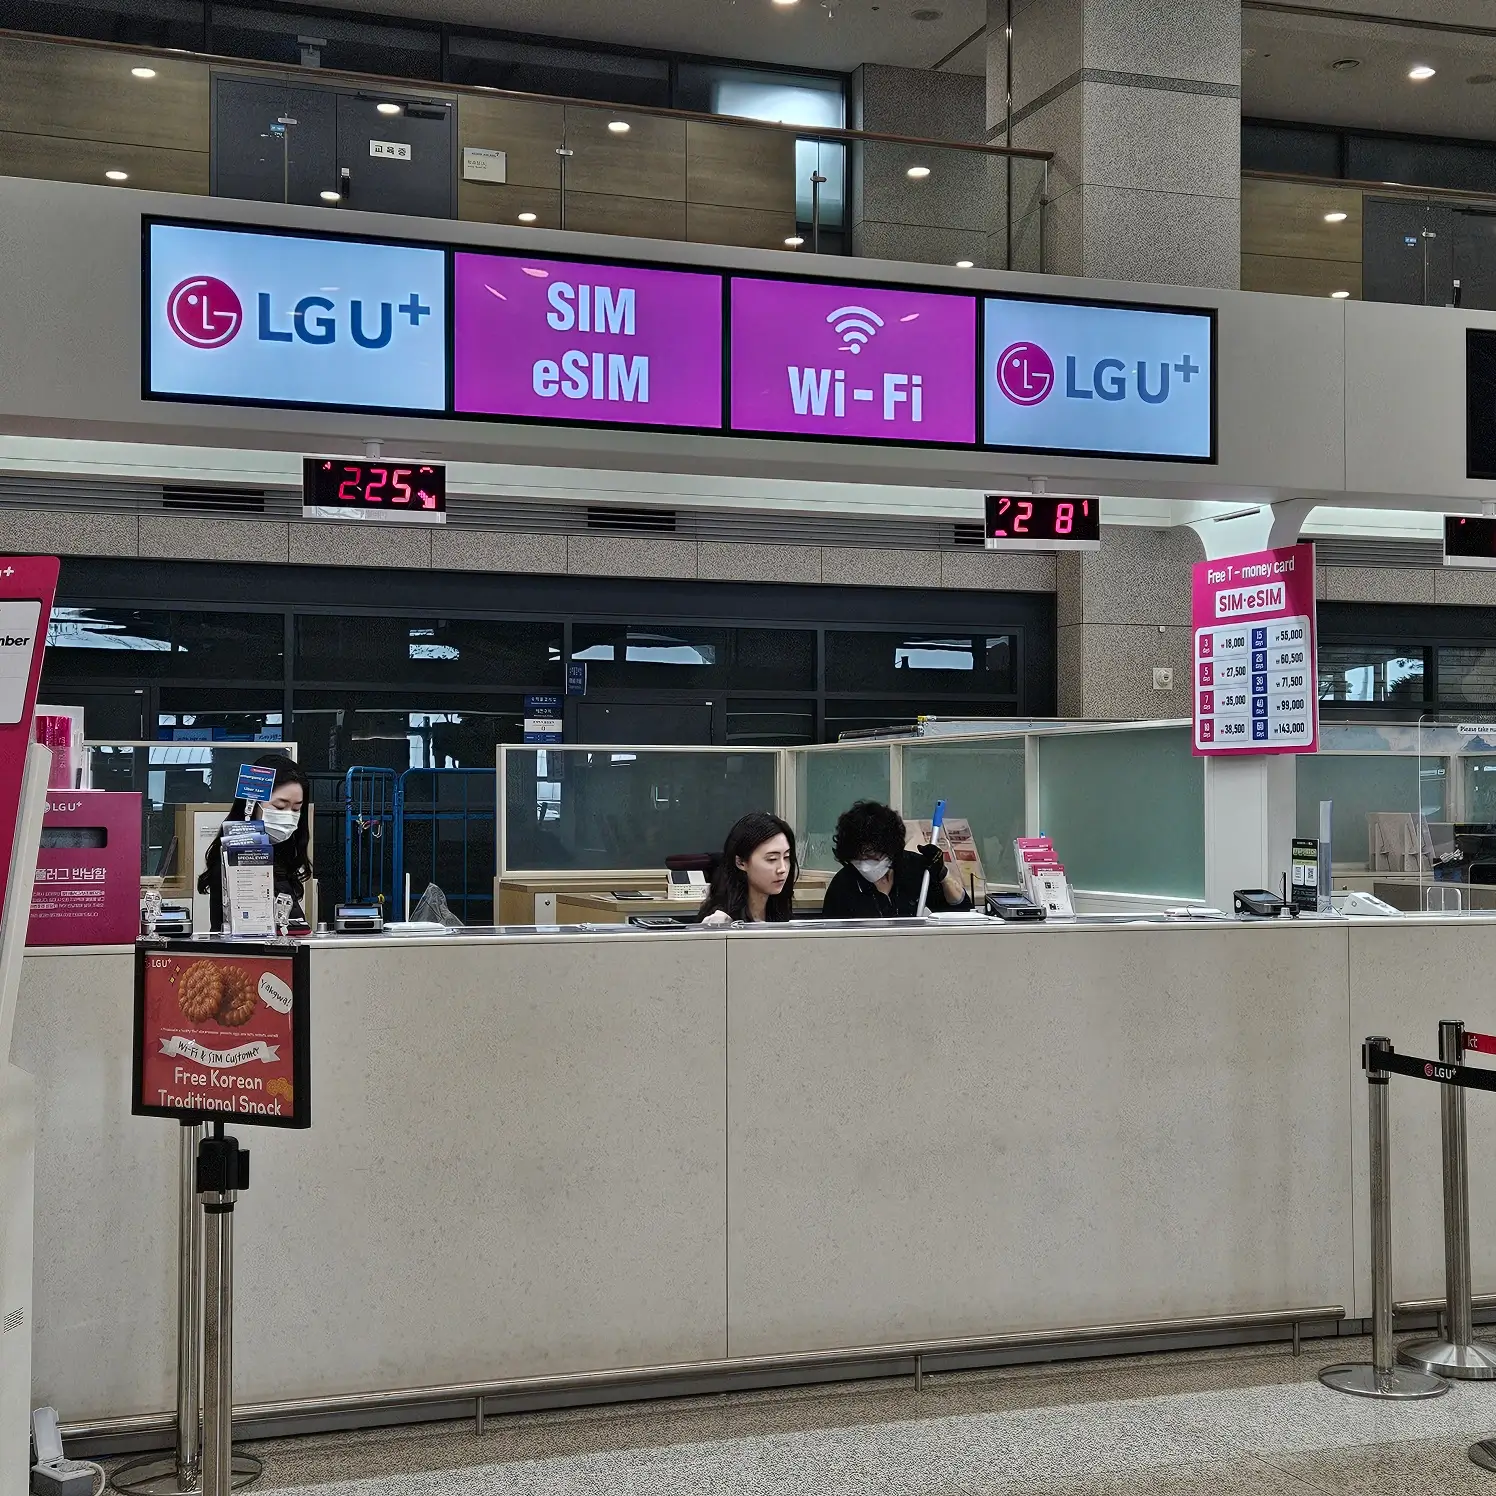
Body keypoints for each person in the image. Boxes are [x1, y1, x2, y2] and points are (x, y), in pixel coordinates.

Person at [198, 753, 313, 931]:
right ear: (252, 804)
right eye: (280, 806)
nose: (288, 815)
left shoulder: (282, 854)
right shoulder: (237, 858)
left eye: (296, 808)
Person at [820, 800, 972, 920]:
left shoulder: (914, 869)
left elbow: (963, 914)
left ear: (889, 850)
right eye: (857, 858)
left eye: (871, 856)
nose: (864, 864)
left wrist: (943, 875)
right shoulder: (843, 885)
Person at [699, 811, 797, 925]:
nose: (782, 869)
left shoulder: (779, 912)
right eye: (772, 859)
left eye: (786, 857)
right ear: (741, 862)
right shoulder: (721, 922)